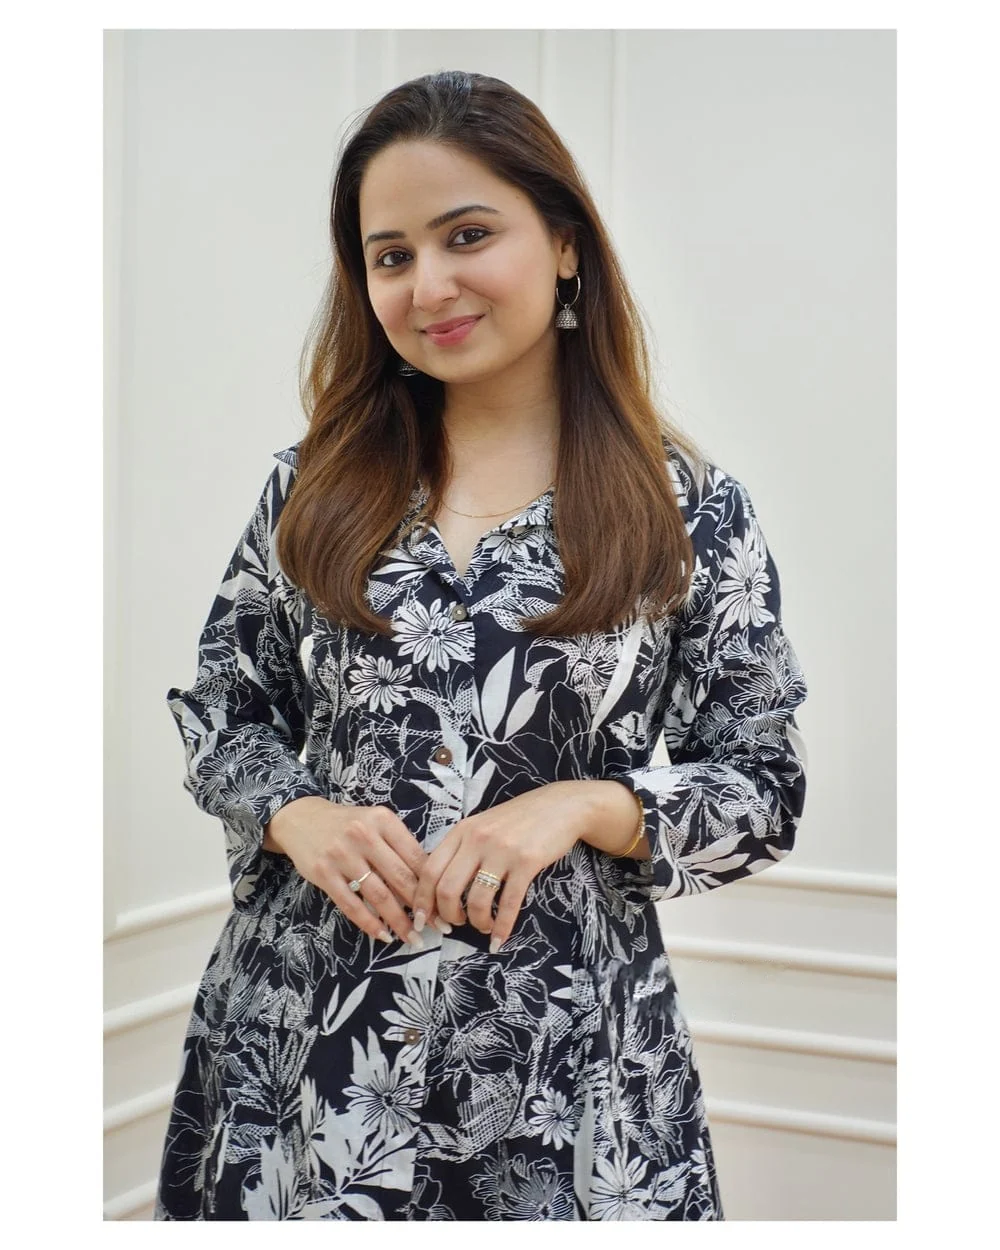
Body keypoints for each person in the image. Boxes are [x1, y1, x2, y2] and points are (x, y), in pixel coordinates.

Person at [153, 69, 808, 1222]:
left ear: (563, 242)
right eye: (390, 254)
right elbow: (223, 711)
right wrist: (297, 814)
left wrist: (585, 803)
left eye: (467, 235)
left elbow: (762, 783)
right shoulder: (312, 487)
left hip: (562, 1068)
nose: (428, 285)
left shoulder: (687, 511)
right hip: (308, 1048)